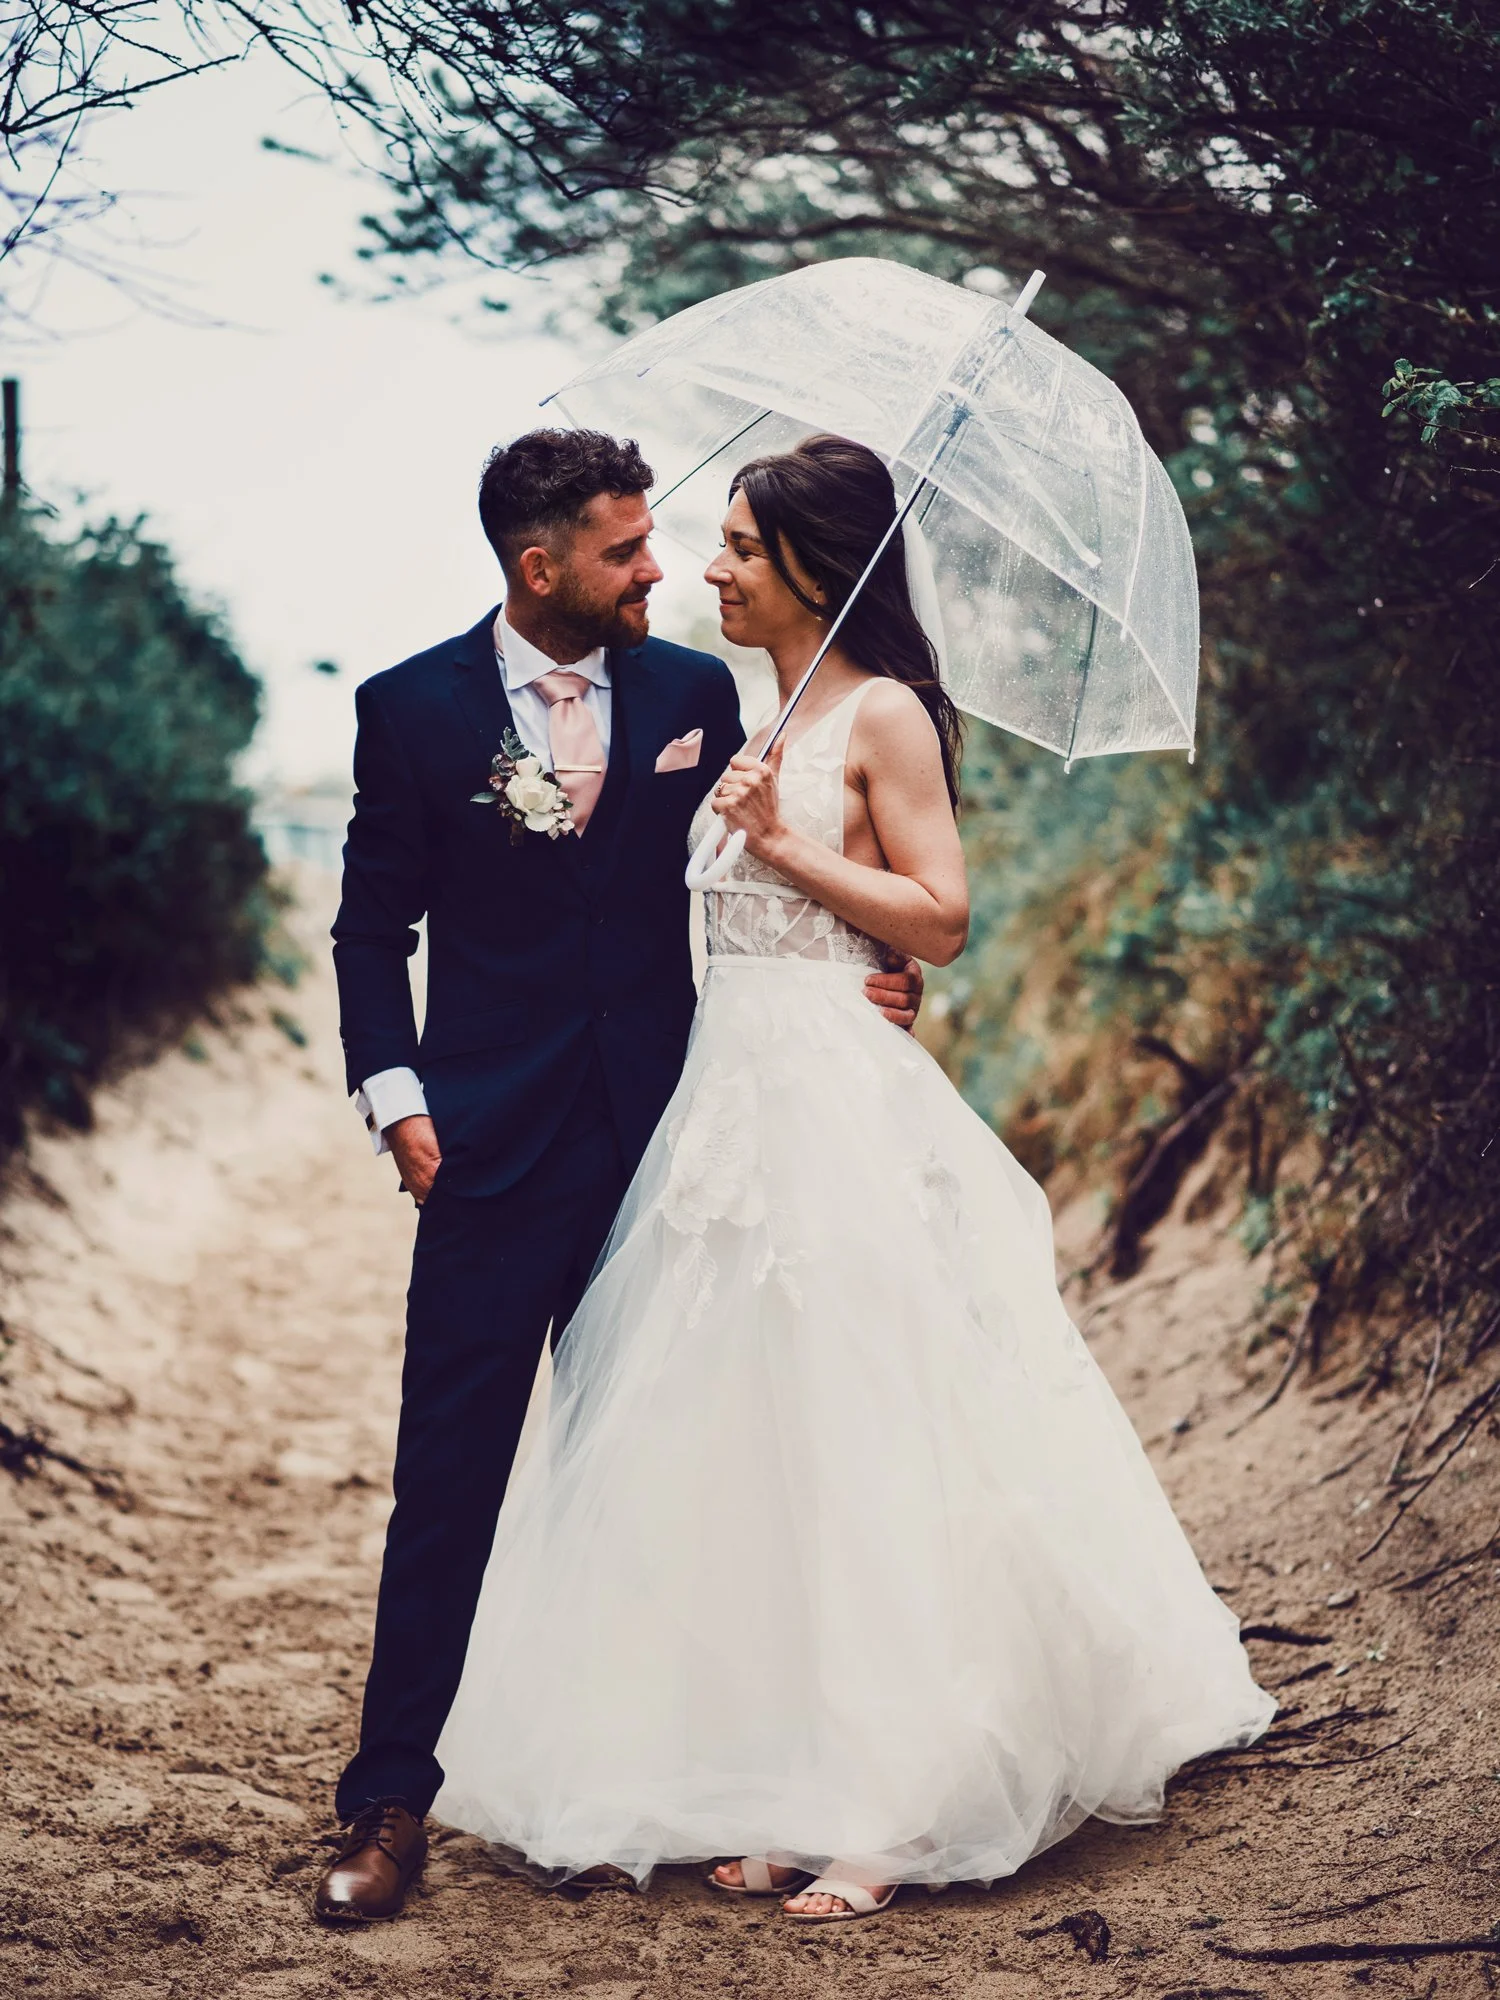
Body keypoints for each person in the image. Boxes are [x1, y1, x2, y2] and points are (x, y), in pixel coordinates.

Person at [432, 432, 1275, 1922]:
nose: (710, 570)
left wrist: (783, 847)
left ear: (815, 569)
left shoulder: (883, 713)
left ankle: (892, 1810)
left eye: (741, 549)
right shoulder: (751, 711)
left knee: (865, 1436)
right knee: (757, 1449)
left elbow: (938, 917)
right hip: (724, 1105)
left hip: (831, 1102)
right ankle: (784, 1784)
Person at [314, 428, 925, 1924]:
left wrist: (881, 970)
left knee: (654, 1465)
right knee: (448, 1476)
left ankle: (630, 1781)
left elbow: (777, 870)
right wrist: (399, 1102)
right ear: (542, 568)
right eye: (627, 548)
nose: (662, 568)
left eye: (660, 540)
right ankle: (388, 1802)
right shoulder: (410, 711)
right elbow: (370, 932)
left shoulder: (696, 696)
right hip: (484, 1151)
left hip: (673, 1145)